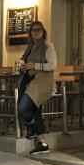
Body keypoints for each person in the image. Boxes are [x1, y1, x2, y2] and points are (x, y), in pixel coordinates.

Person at [17, 20, 58, 155]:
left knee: (24, 107)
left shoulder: (47, 46)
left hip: (40, 83)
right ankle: (43, 143)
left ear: (43, 31)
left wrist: (35, 66)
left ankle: (31, 128)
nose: (36, 32)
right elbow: (26, 61)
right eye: (33, 30)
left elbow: (53, 65)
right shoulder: (30, 46)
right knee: (32, 109)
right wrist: (23, 66)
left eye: (38, 29)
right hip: (28, 81)